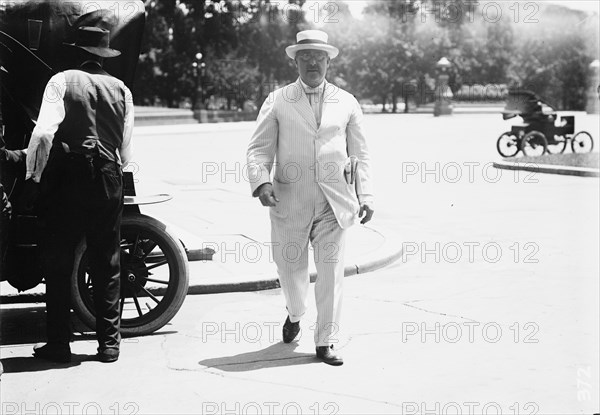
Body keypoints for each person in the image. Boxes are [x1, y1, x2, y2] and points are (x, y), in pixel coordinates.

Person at [246, 30, 374, 366]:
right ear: (296, 60)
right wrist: (261, 184)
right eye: (305, 56)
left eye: (319, 56)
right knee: (291, 270)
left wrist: (366, 194)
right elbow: (258, 149)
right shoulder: (278, 100)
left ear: (329, 60)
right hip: (289, 200)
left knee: (331, 273)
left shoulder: (347, 102)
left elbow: (360, 152)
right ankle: (295, 312)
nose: (313, 62)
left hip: (335, 203)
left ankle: (325, 341)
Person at [25, 26, 134, 363]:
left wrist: (33, 174)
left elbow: (43, 134)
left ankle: (59, 344)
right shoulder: (122, 90)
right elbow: (126, 149)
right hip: (108, 176)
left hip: (70, 175)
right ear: (103, 56)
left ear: (76, 51)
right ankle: (109, 345)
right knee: (107, 261)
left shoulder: (61, 81)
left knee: (59, 261)